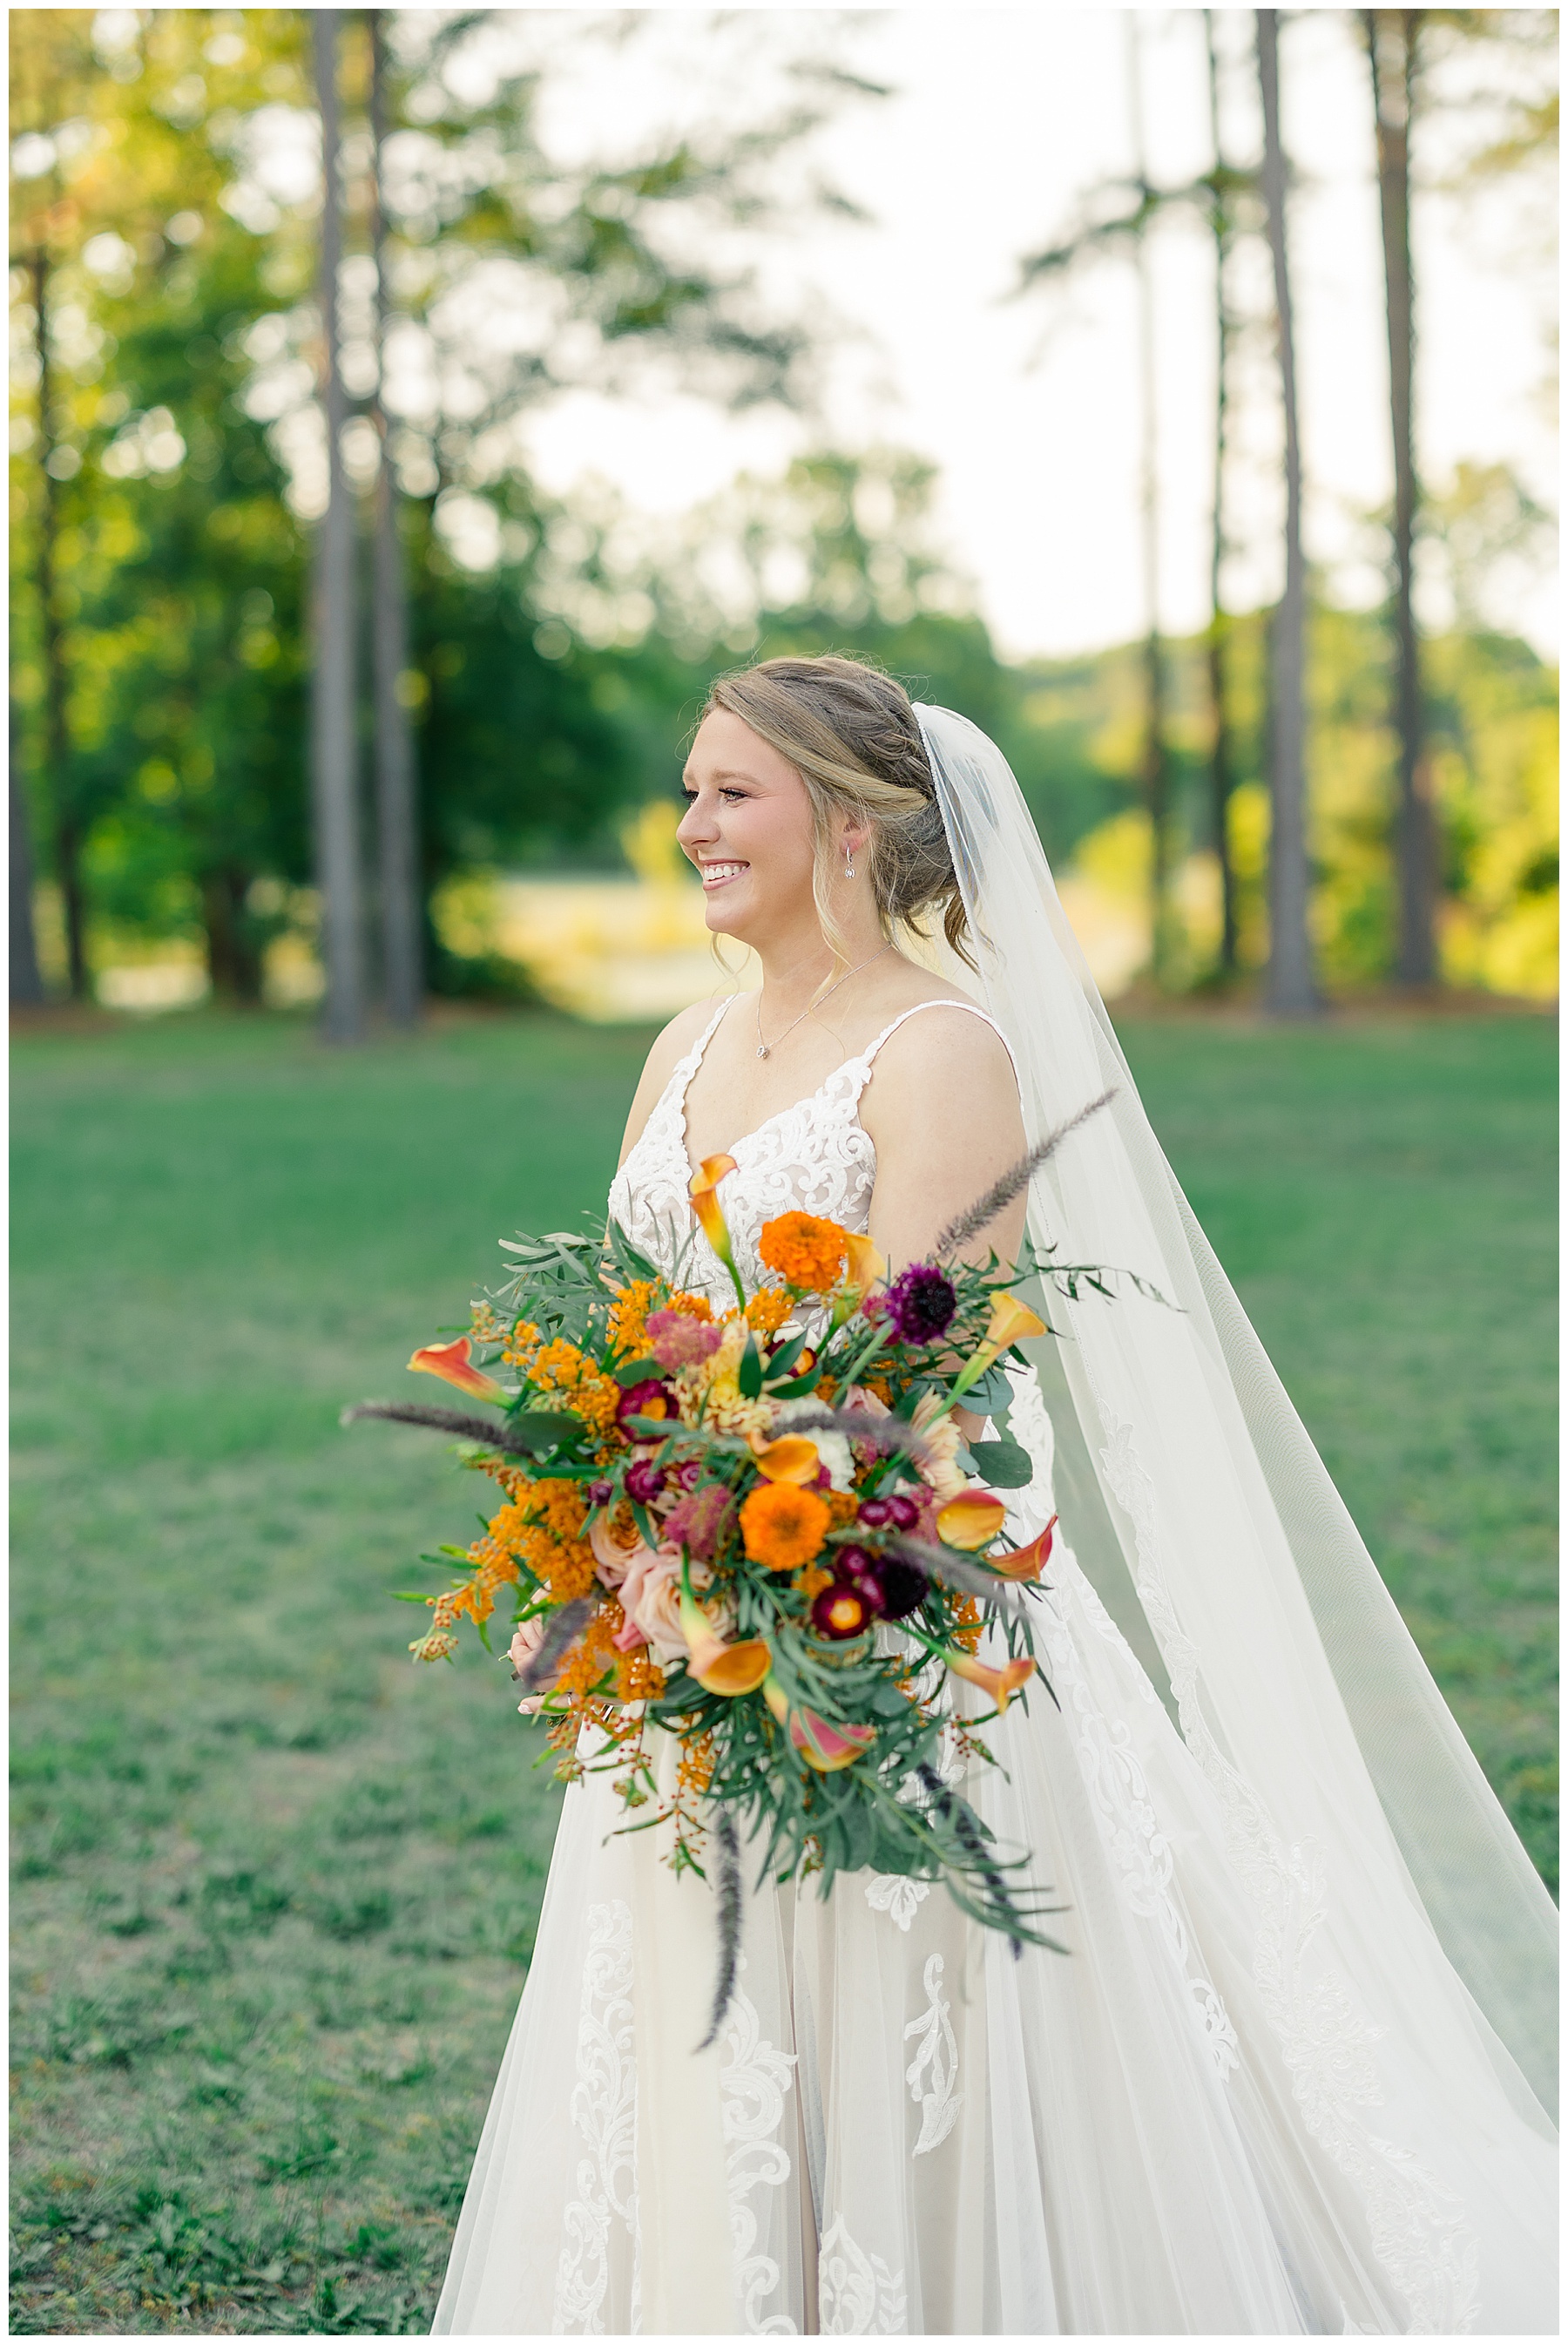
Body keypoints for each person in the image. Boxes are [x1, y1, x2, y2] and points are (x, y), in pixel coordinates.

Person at [434, 656, 1556, 2336]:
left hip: (898, 1631)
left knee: (927, 2047)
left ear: (850, 819)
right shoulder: (679, 1043)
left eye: (733, 792)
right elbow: (638, 1327)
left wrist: (741, 1521)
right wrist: (627, 1511)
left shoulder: (943, 1048)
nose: (692, 826)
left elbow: (915, 1383)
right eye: (689, 793)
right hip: (683, 1632)